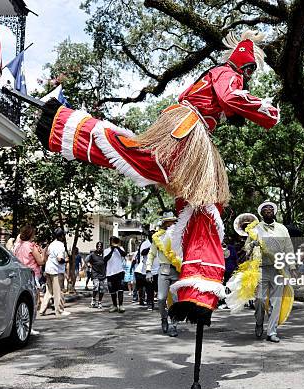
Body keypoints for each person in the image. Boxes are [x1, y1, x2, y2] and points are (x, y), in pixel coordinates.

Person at [34, 29, 279, 325]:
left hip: (187, 130)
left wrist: (232, 113)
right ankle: (63, 126)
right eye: (250, 67)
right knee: (171, 179)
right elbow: (230, 96)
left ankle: (196, 295)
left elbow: (220, 102)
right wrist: (265, 111)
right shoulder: (229, 72)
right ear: (242, 63)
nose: (250, 74)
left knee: (201, 206)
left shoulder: (216, 74)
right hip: (187, 132)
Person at [250, 201, 296, 343]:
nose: (268, 209)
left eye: (271, 208)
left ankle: (272, 332)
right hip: (261, 268)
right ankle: (259, 322)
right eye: (265, 208)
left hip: (280, 269)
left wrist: (292, 267)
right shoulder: (255, 229)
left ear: (274, 212)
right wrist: (252, 244)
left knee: (276, 302)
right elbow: (247, 248)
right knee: (259, 300)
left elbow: (289, 247)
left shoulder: (282, 229)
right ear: (262, 213)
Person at [146, 212, 180, 336]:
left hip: (177, 270)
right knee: (161, 299)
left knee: (176, 300)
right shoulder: (157, 238)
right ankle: (164, 318)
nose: (171, 224)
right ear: (165, 223)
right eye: (169, 221)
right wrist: (148, 270)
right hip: (164, 270)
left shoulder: (179, 236)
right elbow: (151, 254)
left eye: (173, 221)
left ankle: (174, 325)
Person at [13, 225, 47, 333]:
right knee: (34, 302)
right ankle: (30, 327)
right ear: (31, 234)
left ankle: (22, 325)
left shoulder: (18, 246)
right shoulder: (32, 246)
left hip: (20, 274)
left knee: (23, 302)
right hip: (32, 275)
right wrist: (45, 253)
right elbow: (41, 261)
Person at [39, 228, 70, 317]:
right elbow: (60, 259)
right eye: (64, 235)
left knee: (49, 291)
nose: (65, 236)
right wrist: (66, 260)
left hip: (48, 269)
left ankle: (42, 310)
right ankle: (59, 311)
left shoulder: (51, 244)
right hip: (56, 271)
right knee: (59, 291)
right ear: (61, 236)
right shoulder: (60, 245)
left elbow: (48, 255)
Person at [104, 236, 127, 313]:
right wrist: (112, 250)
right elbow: (105, 259)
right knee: (112, 290)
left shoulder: (120, 249)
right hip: (110, 273)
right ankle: (114, 305)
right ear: (110, 242)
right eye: (112, 241)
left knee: (120, 289)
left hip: (119, 272)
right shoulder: (106, 250)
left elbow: (124, 254)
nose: (114, 243)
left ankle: (121, 305)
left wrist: (117, 248)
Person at [86, 242, 107, 308]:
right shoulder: (92, 254)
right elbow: (87, 260)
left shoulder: (104, 254)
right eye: (98, 246)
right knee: (96, 286)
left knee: (102, 288)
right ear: (96, 247)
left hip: (103, 273)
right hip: (95, 273)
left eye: (100, 246)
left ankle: (99, 302)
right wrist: (89, 265)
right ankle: (93, 298)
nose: (99, 247)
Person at [133, 235, 152, 305]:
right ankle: (141, 299)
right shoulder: (145, 245)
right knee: (142, 287)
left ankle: (145, 299)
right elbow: (142, 253)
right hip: (140, 270)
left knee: (145, 287)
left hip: (144, 269)